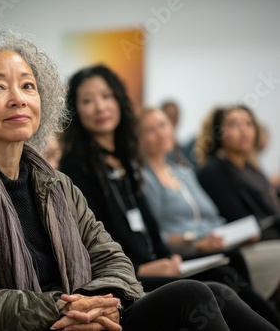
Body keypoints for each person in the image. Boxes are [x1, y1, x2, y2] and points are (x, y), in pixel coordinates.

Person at [0, 32, 278, 330]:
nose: (17, 100)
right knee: (193, 297)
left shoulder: (56, 183)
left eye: (27, 86)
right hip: (37, 325)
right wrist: (66, 309)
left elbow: (111, 257)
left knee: (212, 291)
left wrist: (101, 302)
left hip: (89, 317)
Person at [59, 64, 280, 327]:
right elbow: (92, 240)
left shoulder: (124, 161)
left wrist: (166, 257)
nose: (100, 107)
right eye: (87, 100)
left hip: (154, 265)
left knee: (227, 271)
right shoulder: (76, 166)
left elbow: (149, 224)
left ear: (119, 100)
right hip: (122, 277)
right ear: (75, 110)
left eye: (106, 96)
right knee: (216, 284)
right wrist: (140, 267)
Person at [139, 107, 280, 305]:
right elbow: (157, 233)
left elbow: (214, 216)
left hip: (219, 243)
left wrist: (233, 235)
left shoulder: (182, 172)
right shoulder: (143, 180)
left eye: (163, 125)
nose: (161, 133)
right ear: (137, 137)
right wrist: (198, 243)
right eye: (150, 129)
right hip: (188, 252)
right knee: (233, 269)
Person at [195, 106, 280, 240]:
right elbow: (238, 219)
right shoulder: (213, 171)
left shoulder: (251, 168)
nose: (244, 130)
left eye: (249, 123)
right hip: (250, 242)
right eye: (234, 124)